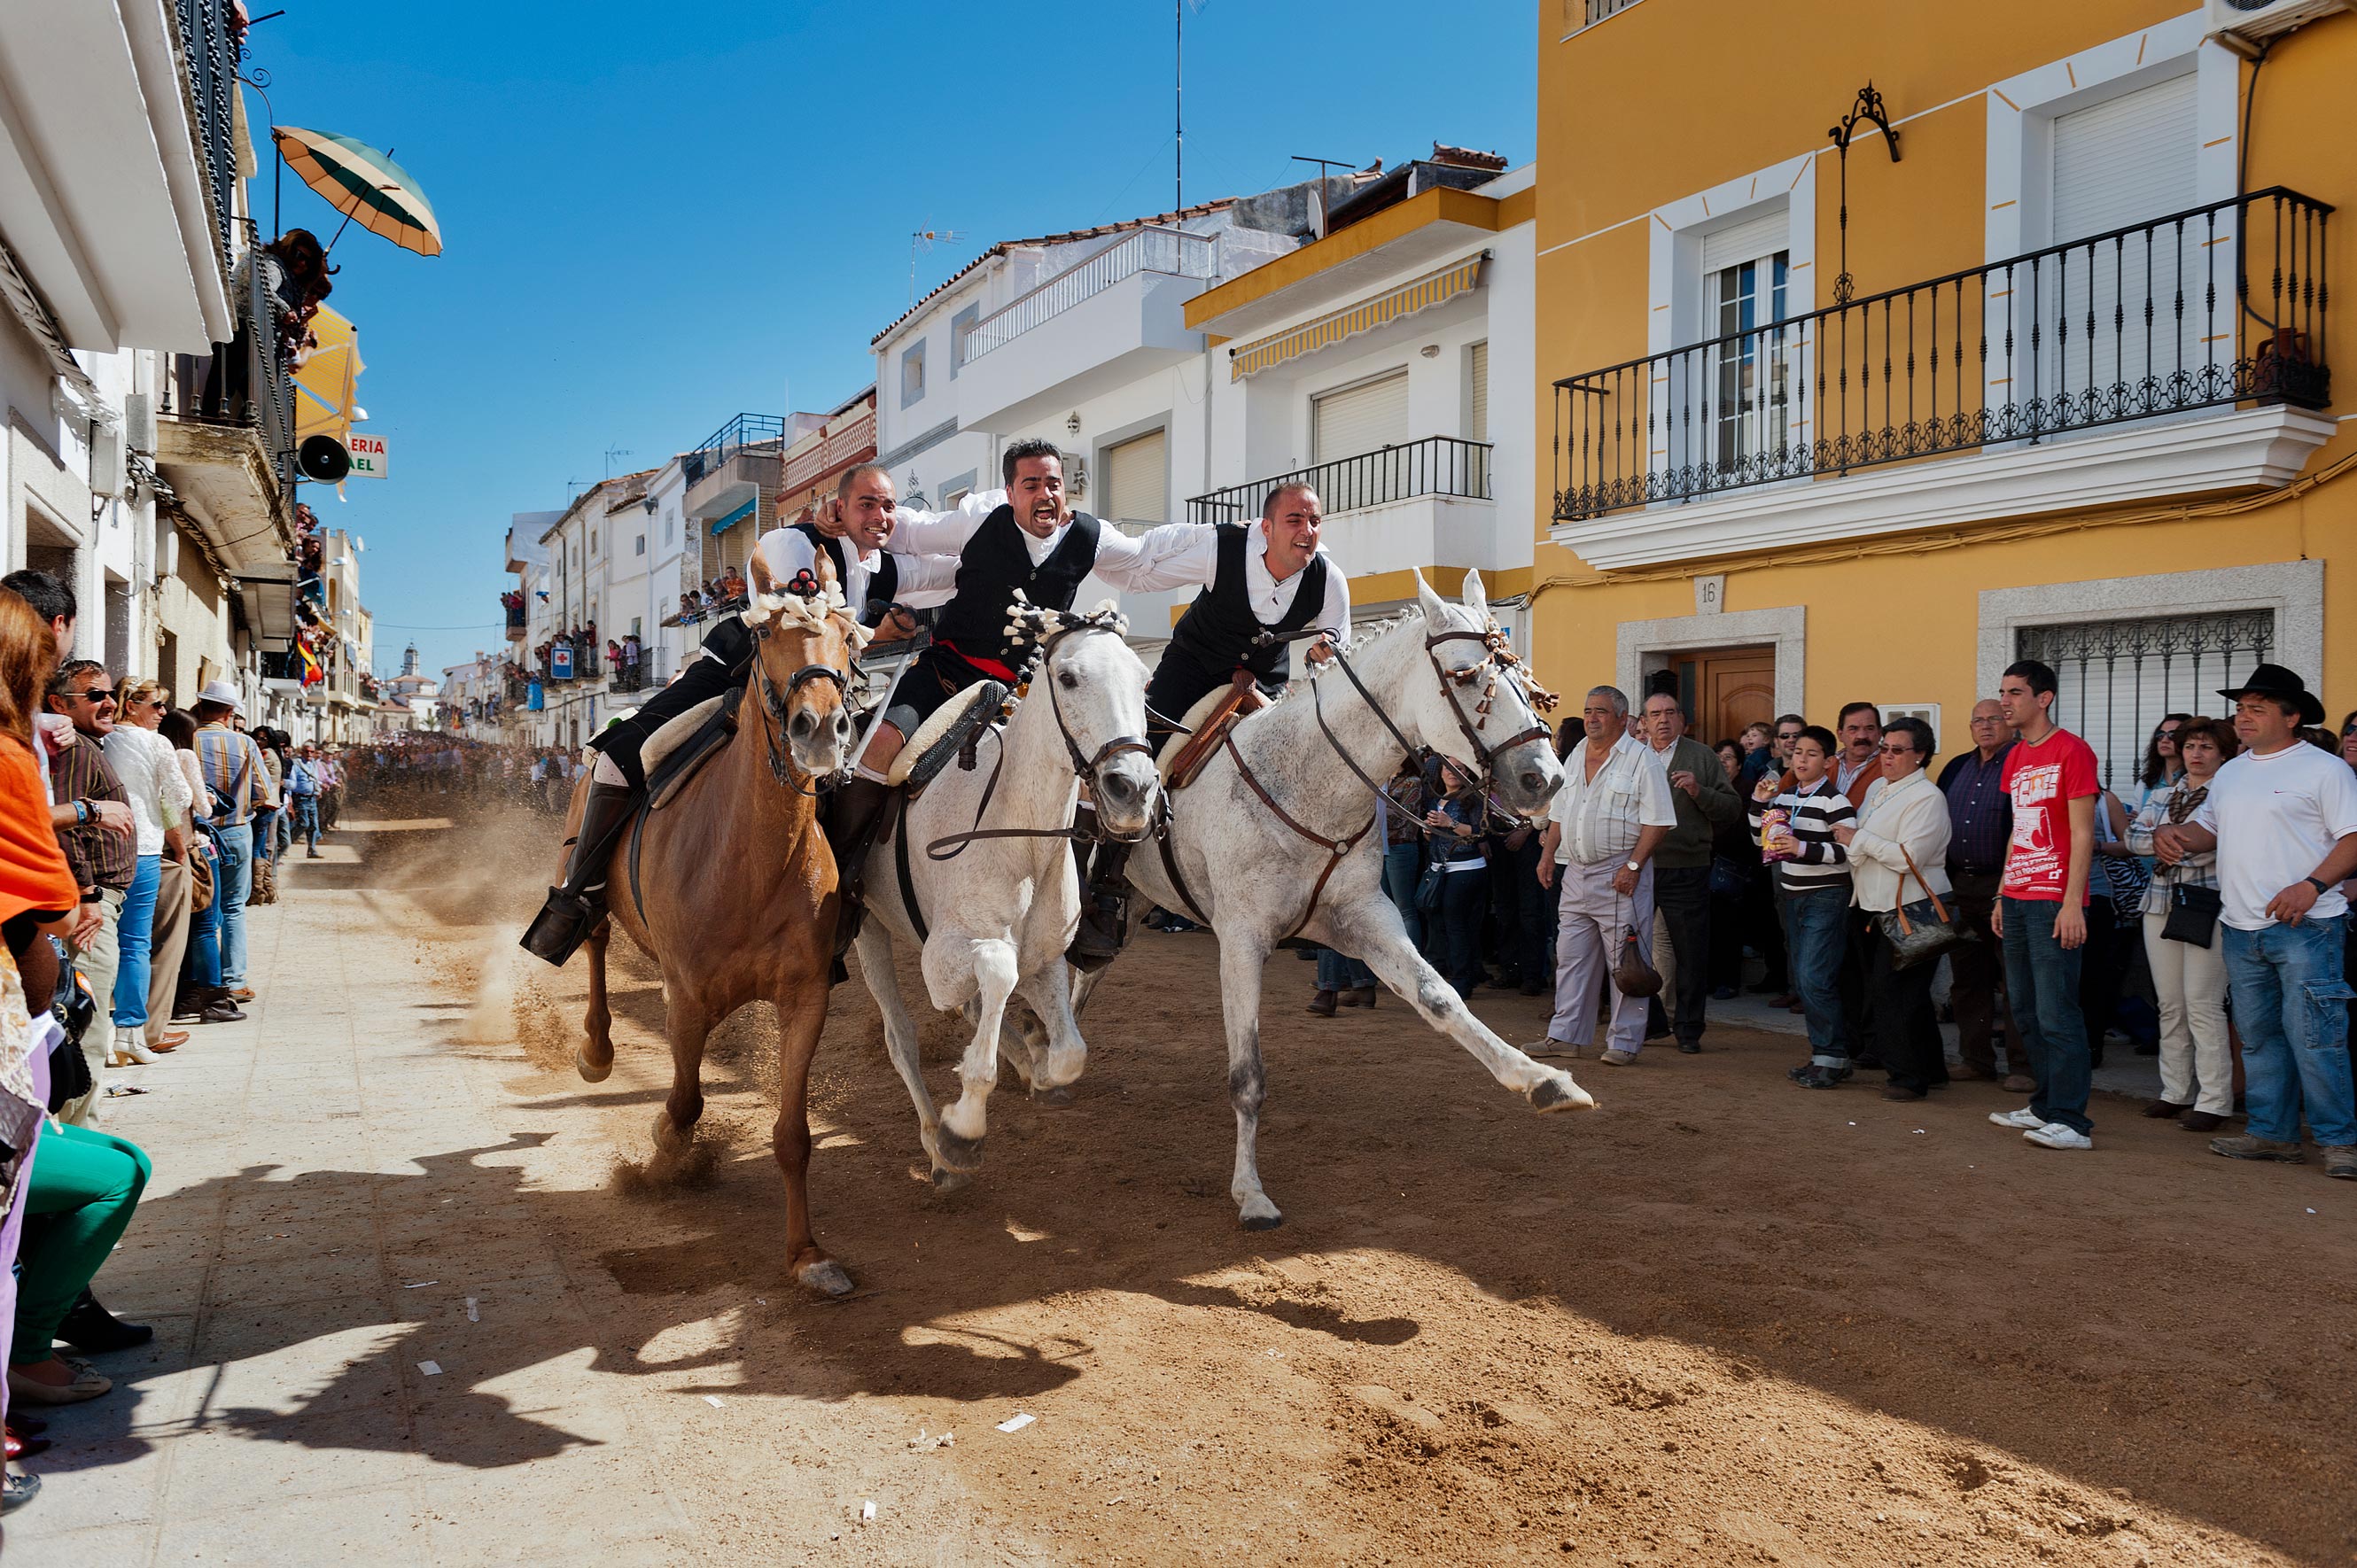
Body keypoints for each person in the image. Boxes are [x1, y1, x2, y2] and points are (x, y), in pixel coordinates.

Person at [2156, 665, 2357, 1178]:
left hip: (2308, 926)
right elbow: (2209, 829)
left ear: (2291, 718)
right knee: (2260, 1037)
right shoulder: (2233, 772)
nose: (2243, 718)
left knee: (2316, 1038)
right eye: (2241, 709)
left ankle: (2340, 1141)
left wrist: (2311, 886)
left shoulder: (2325, 770)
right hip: (2241, 926)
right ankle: (2272, 1134)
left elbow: (2353, 838)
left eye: (2257, 709)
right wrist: (2174, 835)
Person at [1988, 659, 2101, 1152]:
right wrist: (2001, 891)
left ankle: (2072, 1121)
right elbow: (2019, 829)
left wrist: (2072, 903)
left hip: (2053, 900)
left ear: (2044, 698)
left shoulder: (2073, 751)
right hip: (2016, 896)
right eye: (2003, 692)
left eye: (2015, 692)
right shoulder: (2016, 756)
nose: (2005, 702)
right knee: (2025, 1010)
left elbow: (2083, 833)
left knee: (2057, 1012)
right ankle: (2044, 1105)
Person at [1529, 687, 1673, 1067]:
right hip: (1576, 871)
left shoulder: (1642, 760)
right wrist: (1548, 855)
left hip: (1619, 872)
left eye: (1601, 711)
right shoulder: (1577, 753)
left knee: (1626, 961)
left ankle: (1624, 1042)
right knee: (1571, 958)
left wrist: (1634, 867)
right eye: (1588, 710)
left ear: (1623, 719)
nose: (1592, 718)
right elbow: (1560, 810)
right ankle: (1565, 1037)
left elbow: (1658, 822)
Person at [2125, 715, 2236, 1131]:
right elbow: (2133, 838)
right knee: (2170, 1004)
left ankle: (2215, 1100)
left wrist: (2163, 840)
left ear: (2223, 754)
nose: (2196, 754)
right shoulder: (2162, 794)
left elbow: (2215, 848)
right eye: (2190, 746)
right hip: (2159, 902)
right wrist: (2165, 841)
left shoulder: (2227, 795)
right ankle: (2175, 1091)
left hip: (2207, 905)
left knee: (2202, 1003)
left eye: (2206, 747)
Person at [1835, 717, 1953, 1099]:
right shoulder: (1878, 788)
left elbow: (1909, 858)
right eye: (1884, 748)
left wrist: (1859, 840)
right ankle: (1931, 1069)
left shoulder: (1927, 797)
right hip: (1873, 905)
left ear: (1920, 755)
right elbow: (1861, 847)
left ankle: (1907, 1077)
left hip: (1913, 907)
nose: (1887, 756)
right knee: (1904, 994)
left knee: (1895, 994)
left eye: (1897, 750)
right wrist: (1857, 844)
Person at [44, 661, 135, 1121]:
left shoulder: (84, 744)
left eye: (110, 693)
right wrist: (88, 896)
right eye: (95, 695)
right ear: (60, 704)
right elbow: (64, 826)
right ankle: (80, 1135)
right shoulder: (75, 749)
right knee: (87, 1029)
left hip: (97, 902)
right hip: (90, 908)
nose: (109, 702)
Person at [1749, 725, 1857, 1087]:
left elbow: (1848, 852)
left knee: (1814, 977)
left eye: (1812, 754)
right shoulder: (1784, 796)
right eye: (1797, 753)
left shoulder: (1835, 801)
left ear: (1828, 762)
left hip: (1826, 895)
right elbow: (1761, 841)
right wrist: (1758, 802)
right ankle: (1824, 1055)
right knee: (1806, 978)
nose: (1802, 760)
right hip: (1792, 894)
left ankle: (1832, 1056)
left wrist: (1801, 848)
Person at [1936, 699, 2029, 1089]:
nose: (1986, 726)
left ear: (2011, 723)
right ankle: (1976, 1060)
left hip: (2006, 884)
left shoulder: (2023, 762)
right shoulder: (1956, 766)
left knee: (2016, 978)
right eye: (1978, 720)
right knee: (1967, 978)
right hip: (1960, 884)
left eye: (1994, 718)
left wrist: (2009, 886)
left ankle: (2023, 1066)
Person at [1638, 691, 1739, 1053]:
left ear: (1681, 720)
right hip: (1638, 867)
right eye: (1655, 714)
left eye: (1670, 713)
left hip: (1686, 867)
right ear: (1644, 722)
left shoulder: (1702, 756)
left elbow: (1731, 809)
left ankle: (1688, 1029)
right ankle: (1650, 1022)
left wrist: (1699, 791)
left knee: (1690, 954)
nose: (1663, 720)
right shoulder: (1632, 755)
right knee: (1632, 951)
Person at [101, 679, 191, 1063]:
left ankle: (96, 1031)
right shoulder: (156, 743)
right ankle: (129, 1032)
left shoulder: (100, 738)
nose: (163, 712)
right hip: (144, 846)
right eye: (156, 705)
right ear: (132, 705)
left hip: (102, 847)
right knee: (135, 942)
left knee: (97, 940)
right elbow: (181, 795)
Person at [191, 681, 275, 1005]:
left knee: (201, 910)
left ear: (201, 707)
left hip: (198, 834)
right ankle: (234, 980)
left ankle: (202, 980)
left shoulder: (188, 739)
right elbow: (264, 793)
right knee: (233, 907)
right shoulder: (244, 743)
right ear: (229, 713)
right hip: (236, 831)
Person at [1744, 713, 1807, 1000]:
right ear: (1776, 743)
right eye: (1785, 736)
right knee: (1784, 929)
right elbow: (1760, 825)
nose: (1791, 741)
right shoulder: (1769, 775)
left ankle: (1805, 993)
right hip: (1778, 864)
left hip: (1813, 864)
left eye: (1796, 735)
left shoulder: (1819, 773)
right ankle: (1791, 987)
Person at [1423, 761, 1491, 999]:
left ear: (1467, 772)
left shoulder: (1473, 798)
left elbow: (1480, 832)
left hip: (1466, 867)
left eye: (1460, 768)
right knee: (1443, 922)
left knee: (1456, 924)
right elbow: (1432, 836)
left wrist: (1449, 823)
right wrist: (1428, 830)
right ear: (1440, 772)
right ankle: (1462, 972)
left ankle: (1462, 979)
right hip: (1440, 868)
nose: (1453, 772)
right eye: (1448, 767)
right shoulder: (1435, 798)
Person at [1707, 741, 1751, 1000]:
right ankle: (1710, 979)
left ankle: (1729, 981)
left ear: (1740, 765)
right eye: (1718, 757)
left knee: (1729, 928)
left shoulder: (1746, 790)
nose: (1722, 762)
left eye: (1728, 758)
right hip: (1707, 865)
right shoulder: (1709, 787)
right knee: (1709, 927)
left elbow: (1740, 828)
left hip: (1734, 868)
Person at [284, 743, 324, 858]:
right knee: (303, 823)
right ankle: (285, 844)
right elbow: (291, 781)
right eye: (307, 752)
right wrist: (289, 797)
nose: (309, 754)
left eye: (312, 752)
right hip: (300, 798)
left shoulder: (314, 764)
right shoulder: (296, 764)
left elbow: (314, 779)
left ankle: (312, 850)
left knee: (313, 825)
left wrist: (319, 788)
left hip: (312, 798)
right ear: (302, 752)